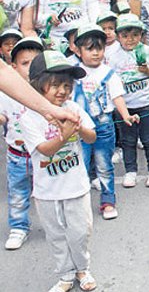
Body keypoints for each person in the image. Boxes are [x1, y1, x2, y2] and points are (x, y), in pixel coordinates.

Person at [20, 50, 97, 292]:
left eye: (66, 85)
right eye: (54, 85)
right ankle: (65, 274)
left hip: (76, 187)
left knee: (80, 231)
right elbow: (45, 150)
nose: (62, 91)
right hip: (47, 192)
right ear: (37, 84)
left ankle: (83, 269)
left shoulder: (72, 107)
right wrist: (64, 135)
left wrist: (79, 127)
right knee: (56, 235)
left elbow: (92, 136)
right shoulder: (29, 117)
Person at [72, 24, 137, 221]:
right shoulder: (73, 73)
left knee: (104, 165)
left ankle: (108, 201)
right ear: (78, 50)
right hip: (79, 127)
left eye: (99, 48)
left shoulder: (108, 73)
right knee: (79, 166)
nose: (95, 53)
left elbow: (117, 97)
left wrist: (126, 115)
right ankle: (78, 205)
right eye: (90, 48)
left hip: (104, 126)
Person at [0, 36, 44, 250]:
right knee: (17, 193)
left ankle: (53, 223)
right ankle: (19, 227)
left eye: (35, 63)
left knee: (46, 191)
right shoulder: (6, 94)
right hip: (17, 154)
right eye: (24, 64)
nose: (30, 68)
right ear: (13, 67)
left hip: (44, 154)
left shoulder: (47, 91)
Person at [108, 14, 149, 188]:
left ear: (141, 35)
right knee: (128, 141)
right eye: (124, 36)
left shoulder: (147, 51)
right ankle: (130, 171)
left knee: (148, 139)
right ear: (118, 37)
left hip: (145, 103)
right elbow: (110, 79)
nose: (130, 40)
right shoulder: (114, 57)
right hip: (126, 106)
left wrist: (147, 71)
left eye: (134, 35)